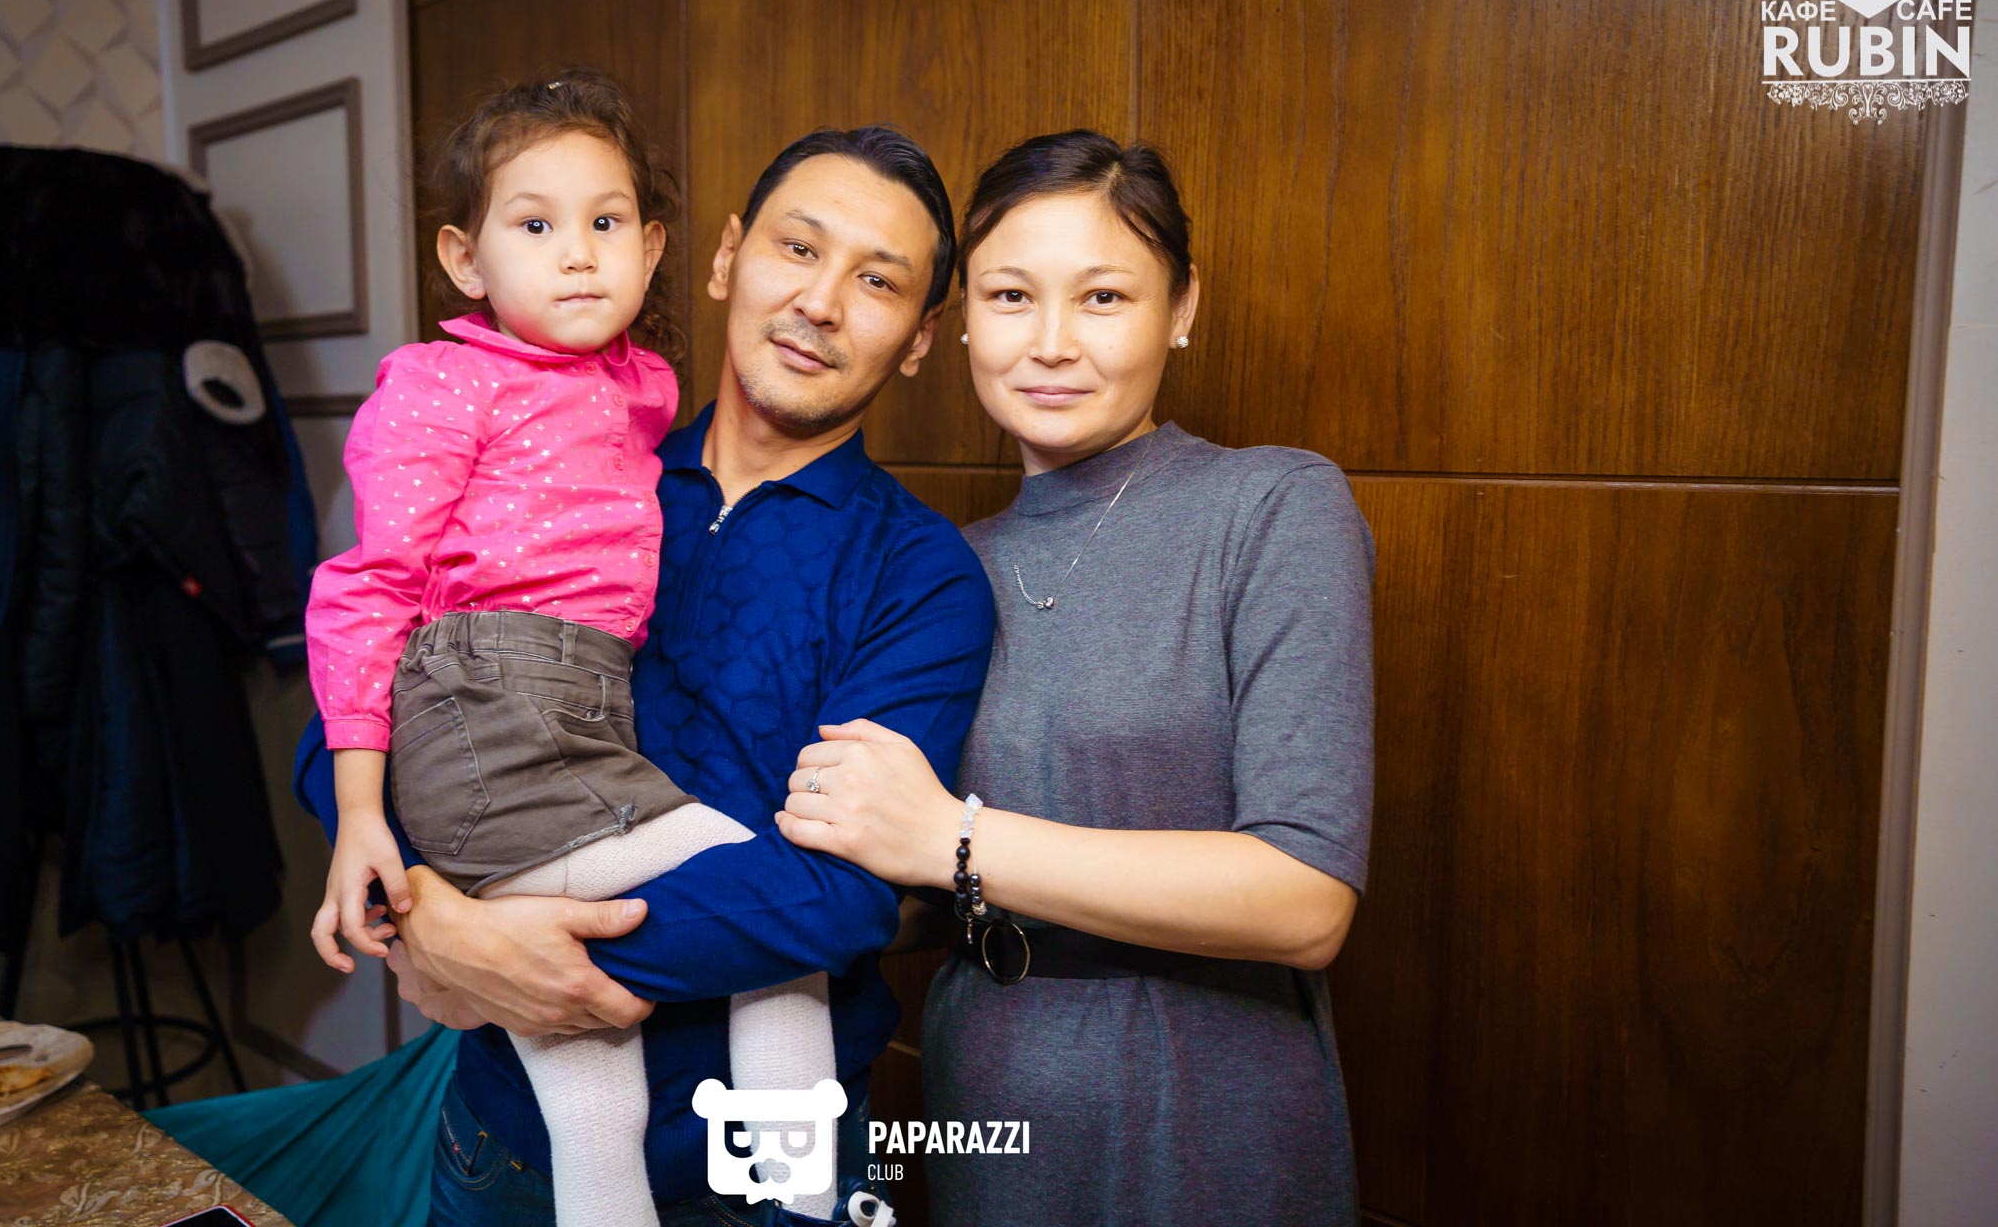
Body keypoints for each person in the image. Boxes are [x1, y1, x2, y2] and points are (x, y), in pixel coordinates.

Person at [293, 122, 996, 1227]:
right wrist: (428, 911)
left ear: (918, 338)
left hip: (763, 1170)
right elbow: (349, 721)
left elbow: (844, 889)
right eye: (797, 248)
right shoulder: (553, 462)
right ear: (724, 259)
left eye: (877, 281)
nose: (819, 302)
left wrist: (512, 946)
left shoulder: (920, 574)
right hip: (508, 1143)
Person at [776, 130, 1377, 1225]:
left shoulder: (1271, 507)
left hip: (1205, 1096)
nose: (1051, 344)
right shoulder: (937, 567)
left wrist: (952, 839)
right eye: (1011, 296)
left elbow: (1304, 896)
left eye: (1103, 297)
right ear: (962, 319)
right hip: (987, 1090)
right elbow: (899, 882)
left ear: (1181, 307)